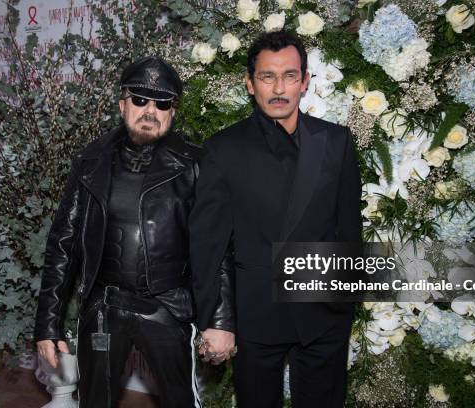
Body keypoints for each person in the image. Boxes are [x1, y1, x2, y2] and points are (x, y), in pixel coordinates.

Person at [34, 56, 236, 408]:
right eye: (140, 99)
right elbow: (62, 246)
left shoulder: (196, 164)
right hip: (103, 309)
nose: (150, 110)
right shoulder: (90, 162)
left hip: (167, 308)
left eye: (161, 103)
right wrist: (47, 326)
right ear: (122, 104)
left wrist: (219, 321)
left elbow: (217, 249)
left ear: (172, 111)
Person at [190, 31, 362, 408]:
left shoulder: (336, 142)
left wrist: (345, 303)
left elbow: (349, 228)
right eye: (268, 77)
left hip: (323, 314)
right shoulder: (223, 150)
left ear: (305, 82)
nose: (279, 88)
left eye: (289, 76)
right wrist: (218, 321)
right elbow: (209, 247)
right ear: (250, 84)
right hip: (256, 314)